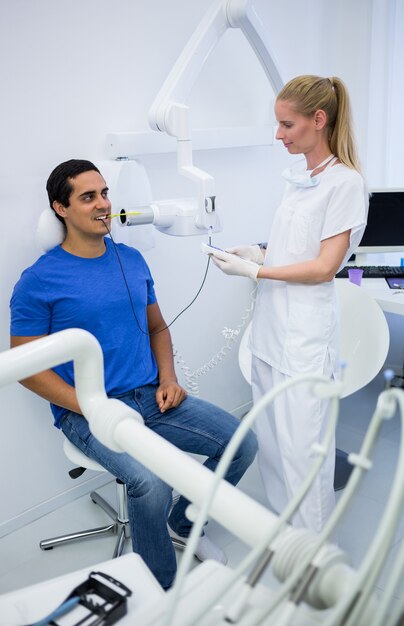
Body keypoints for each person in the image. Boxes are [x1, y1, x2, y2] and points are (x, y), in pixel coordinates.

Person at [9, 159, 258, 590]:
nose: (104, 204)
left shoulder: (131, 259)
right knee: (152, 482)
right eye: (89, 197)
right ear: (60, 208)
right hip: (86, 411)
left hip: (152, 396)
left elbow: (158, 327)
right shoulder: (38, 281)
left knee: (242, 443)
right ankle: (157, 590)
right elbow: (27, 368)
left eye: (105, 193)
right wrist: (92, 406)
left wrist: (169, 378)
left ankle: (180, 522)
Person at [208, 75, 368, 533]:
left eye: (287, 125)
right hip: (270, 333)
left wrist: (256, 272)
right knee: (275, 447)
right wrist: (256, 254)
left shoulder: (345, 184)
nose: (278, 135)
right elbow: (292, 249)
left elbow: (323, 267)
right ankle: (285, 541)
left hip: (304, 340)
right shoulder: (299, 181)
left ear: (319, 120)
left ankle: (311, 564)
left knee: (304, 454)